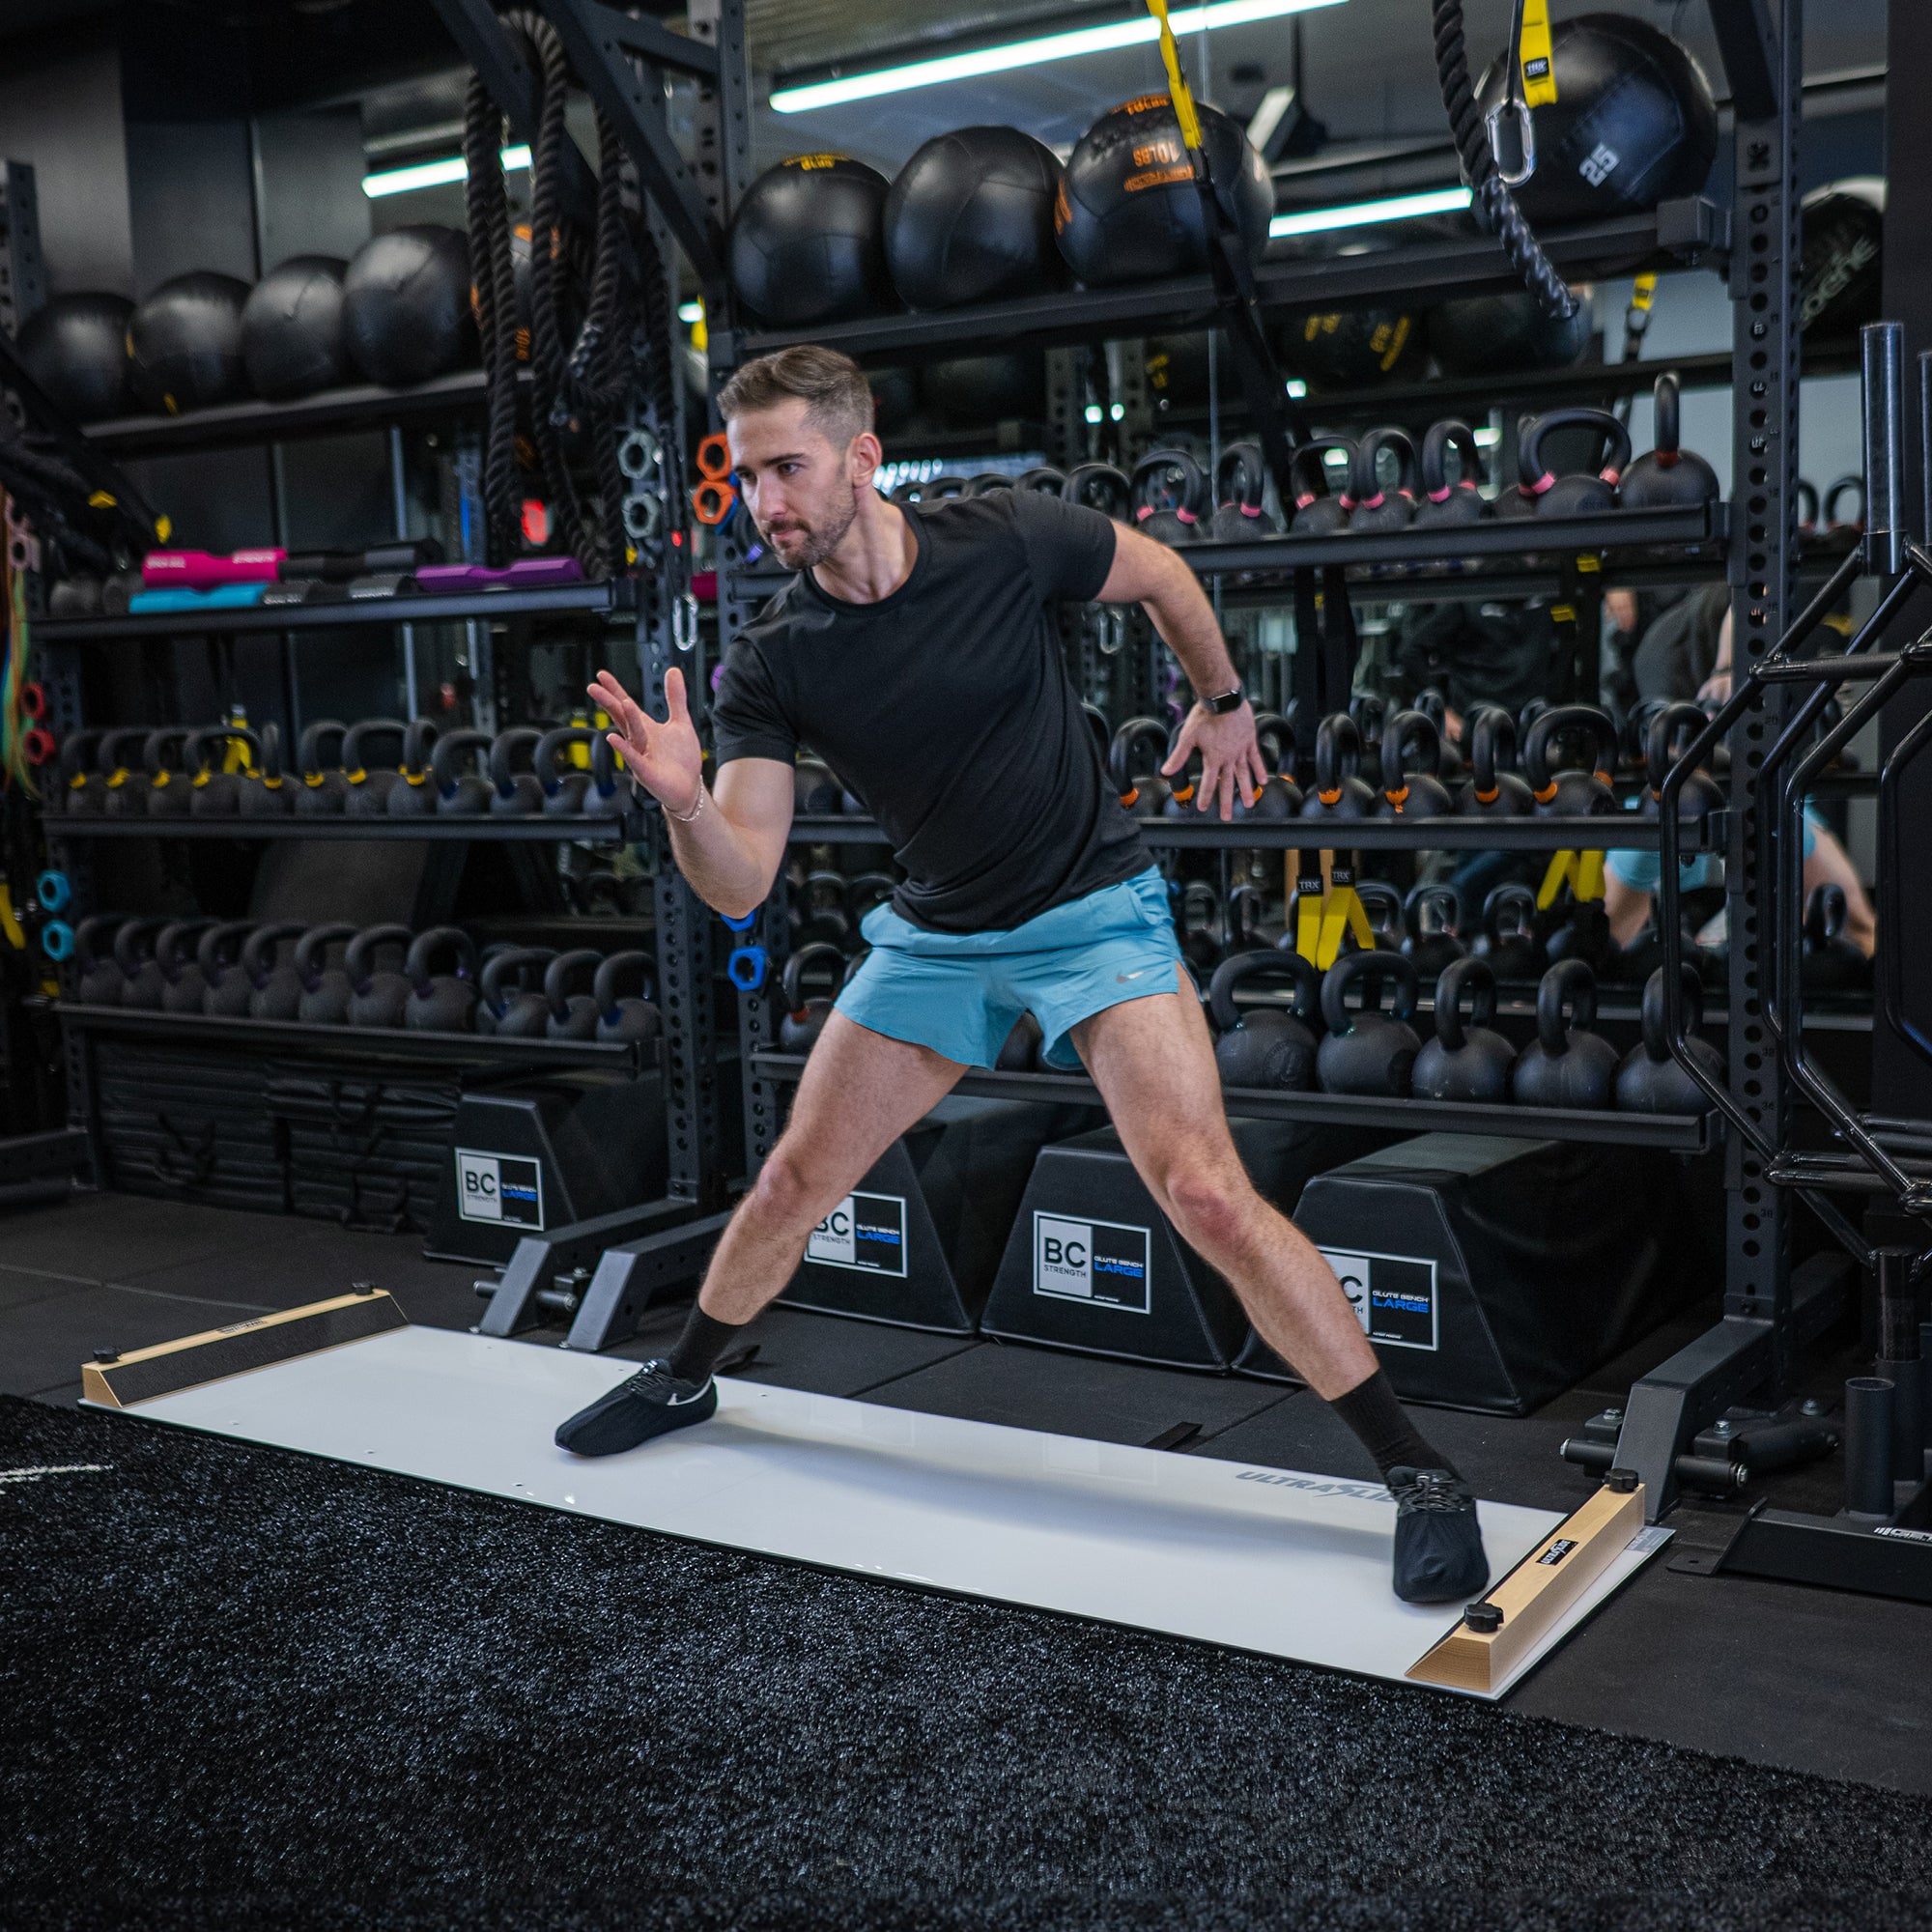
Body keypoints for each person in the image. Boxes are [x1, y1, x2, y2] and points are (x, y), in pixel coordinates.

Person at [554, 345, 1489, 1605]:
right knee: (791, 1177)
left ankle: (1420, 1474)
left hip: (1092, 913)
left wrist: (1221, 699)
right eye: (745, 475)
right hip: (938, 938)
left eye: (788, 468)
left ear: (862, 458)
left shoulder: (1004, 539)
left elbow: (1158, 571)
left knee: (1206, 1195)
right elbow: (742, 879)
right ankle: (686, 1372)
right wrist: (682, 806)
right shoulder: (774, 659)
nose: (763, 501)